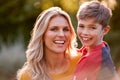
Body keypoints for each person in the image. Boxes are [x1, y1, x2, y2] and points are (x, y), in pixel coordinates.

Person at [16, 7, 81, 80]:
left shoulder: (82, 62)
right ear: (42, 35)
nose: (61, 34)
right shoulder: (28, 76)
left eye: (65, 29)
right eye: (54, 29)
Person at [74, 1, 119, 80]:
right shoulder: (102, 47)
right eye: (81, 26)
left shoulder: (91, 59)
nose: (85, 32)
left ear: (105, 30)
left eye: (92, 28)